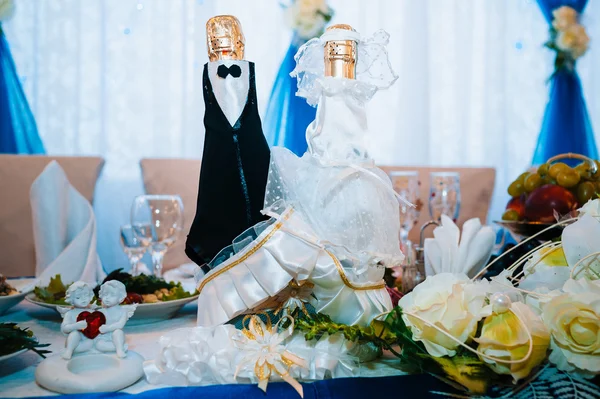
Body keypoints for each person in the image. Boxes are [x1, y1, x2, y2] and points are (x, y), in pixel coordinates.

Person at [60, 281, 95, 359]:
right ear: (71, 300)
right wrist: (75, 326)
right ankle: (69, 352)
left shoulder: (92, 312)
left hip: (89, 342)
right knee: (75, 333)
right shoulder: (70, 314)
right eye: (78, 297)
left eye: (86, 295)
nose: (83, 299)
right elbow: (65, 328)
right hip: (75, 345)